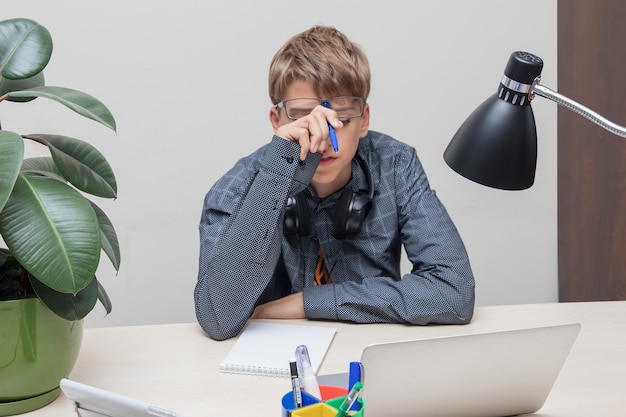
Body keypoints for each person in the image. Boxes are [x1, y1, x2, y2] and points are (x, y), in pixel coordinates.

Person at [194, 25, 475, 341]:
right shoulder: (235, 187)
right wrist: (275, 179)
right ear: (277, 122)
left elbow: (453, 291)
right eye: (303, 119)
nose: (322, 140)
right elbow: (218, 317)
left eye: (339, 119)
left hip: (365, 357)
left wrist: (307, 303)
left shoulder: (396, 166)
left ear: (364, 119)